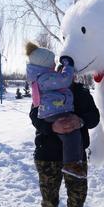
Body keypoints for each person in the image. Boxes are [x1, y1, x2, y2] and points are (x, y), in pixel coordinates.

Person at [26, 42, 85, 178]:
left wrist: (80, 121)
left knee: (71, 134)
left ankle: (72, 163)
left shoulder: (40, 78)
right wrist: (68, 65)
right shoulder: (46, 78)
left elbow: (93, 117)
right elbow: (65, 79)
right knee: (72, 135)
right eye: (52, 63)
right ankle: (71, 164)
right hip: (54, 113)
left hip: (51, 111)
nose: (54, 65)